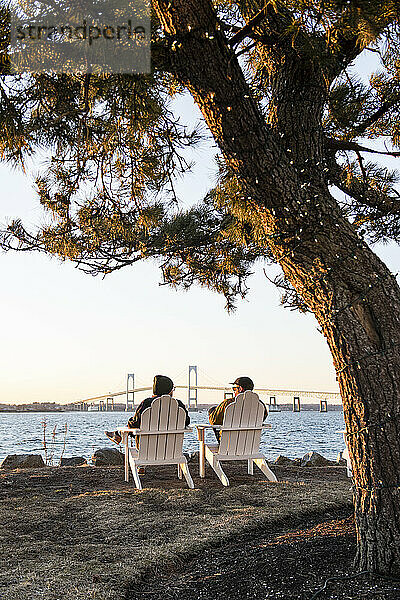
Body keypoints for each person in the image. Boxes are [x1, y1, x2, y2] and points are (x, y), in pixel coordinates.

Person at [105, 374, 190, 445]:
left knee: (133, 425)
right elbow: (186, 421)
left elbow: (134, 424)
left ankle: (118, 434)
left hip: (146, 449)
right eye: (173, 389)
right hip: (172, 450)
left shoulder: (146, 403)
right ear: (170, 391)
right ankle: (118, 434)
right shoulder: (179, 405)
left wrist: (130, 422)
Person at [208, 376, 267, 442]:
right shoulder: (260, 405)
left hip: (227, 444)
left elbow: (214, 421)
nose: (233, 391)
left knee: (213, 410)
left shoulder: (228, 403)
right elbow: (263, 417)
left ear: (240, 389)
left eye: (234, 389)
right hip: (250, 443)